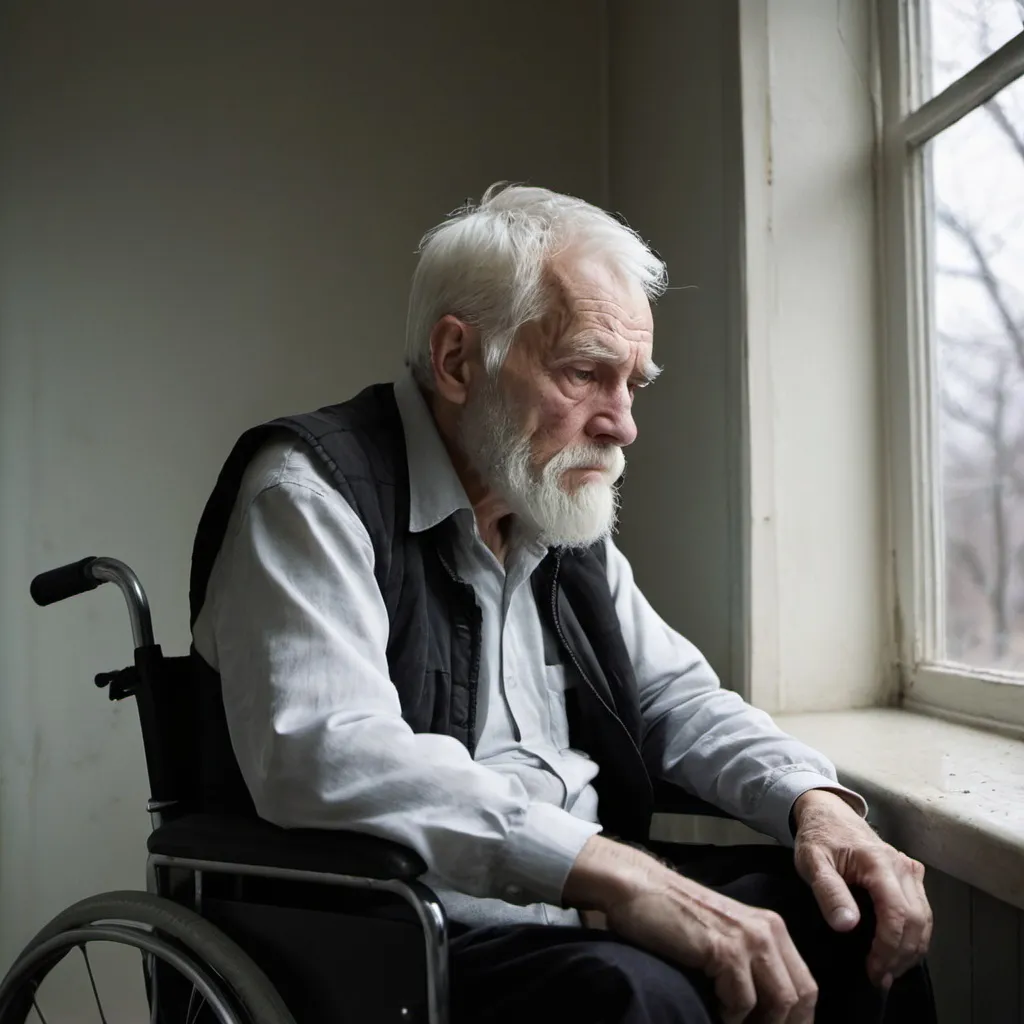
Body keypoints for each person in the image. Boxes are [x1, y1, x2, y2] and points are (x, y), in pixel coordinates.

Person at [190, 184, 935, 1024]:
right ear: (457, 361)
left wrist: (817, 804)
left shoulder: (548, 511)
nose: (622, 424)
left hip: (582, 901)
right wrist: (618, 874)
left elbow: (674, 699)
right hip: (408, 932)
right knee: (637, 998)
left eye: (633, 385)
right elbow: (327, 753)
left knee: (859, 928)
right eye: (586, 373)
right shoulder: (309, 496)